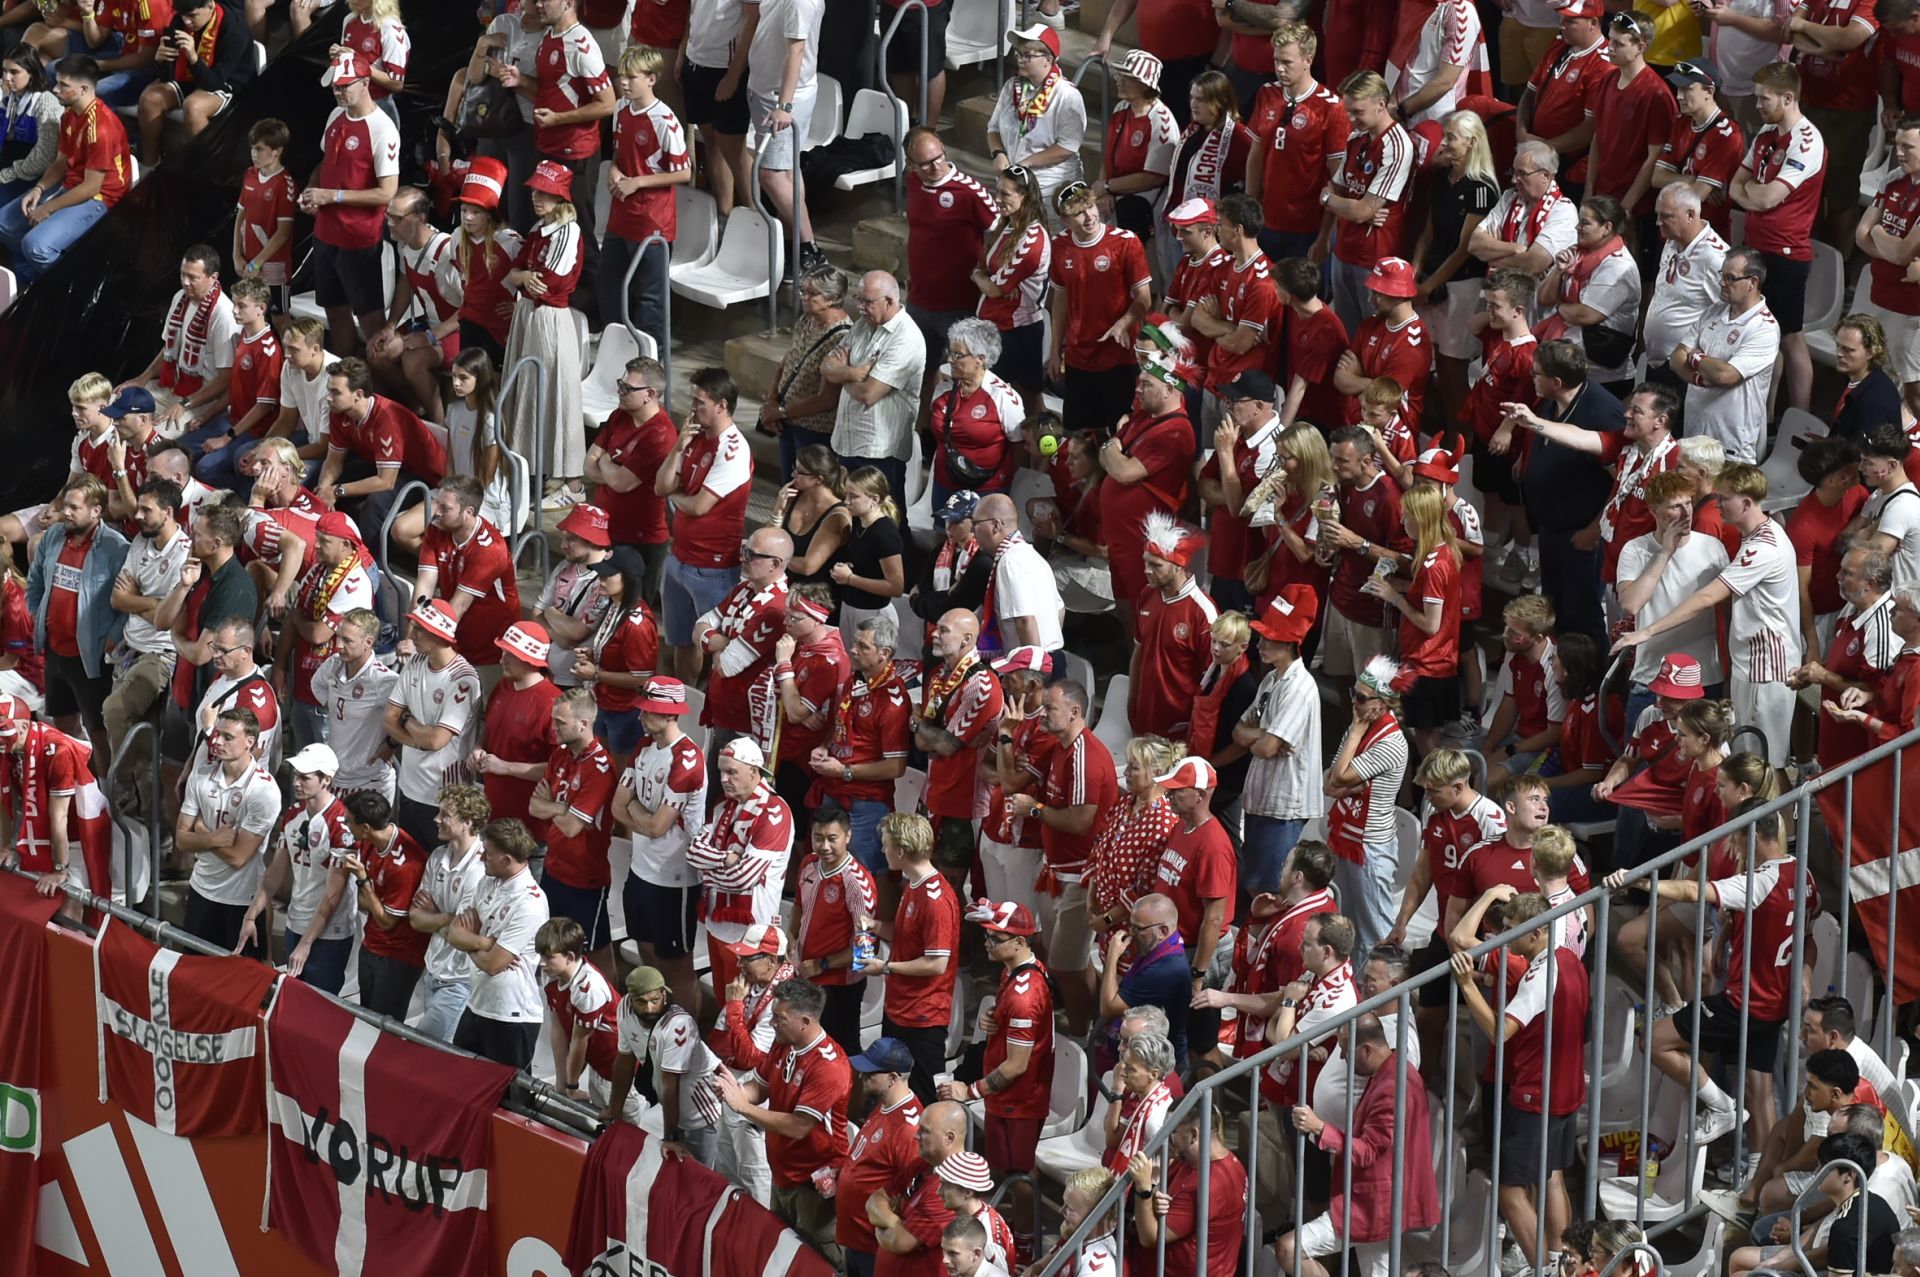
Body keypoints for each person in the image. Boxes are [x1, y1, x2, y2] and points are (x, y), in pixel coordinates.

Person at [1607, 803, 1809, 1148]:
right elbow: (1808, 937)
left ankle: (1722, 1107)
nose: (1734, 846)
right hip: (1776, 1002)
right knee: (1759, 1087)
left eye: (1737, 838)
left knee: (1653, 1041)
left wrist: (1641, 880)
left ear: (1755, 837)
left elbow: (1693, 890)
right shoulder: (1803, 875)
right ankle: (1755, 1175)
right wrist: (1806, 972)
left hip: (1744, 1003)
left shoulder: (1761, 881)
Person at [1618, 462, 1802, 765]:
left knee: (1752, 763)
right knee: (1642, 769)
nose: (1688, 512)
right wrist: (1665, 552)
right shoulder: (1635, 550)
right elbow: (1631, 605)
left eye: (1689, 503)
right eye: (1676, 506)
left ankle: (1774, 813)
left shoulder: (1721, 546)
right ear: (1654, 511)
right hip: (1653, 676)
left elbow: (1713, 602)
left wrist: (1725, 669)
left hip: (1711, 678)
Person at [1451, 892, 1589, 1272]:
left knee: (1511, 1192)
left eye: (1512, 932)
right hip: (1566, 1087)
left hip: (1536, 1093)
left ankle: (1545, 1268)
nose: (1506, 939)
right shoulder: (1571, 960)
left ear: (1536, 933)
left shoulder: (1540, 975)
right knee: (1551, 1176)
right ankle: (1564, 1262)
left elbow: (1499, 1031)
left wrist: (1466, 985)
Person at [1273, 1012, 1435, 1277]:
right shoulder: (1391, 1071)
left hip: (1373, 1203)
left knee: (1288, 1248)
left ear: (1367, 1049)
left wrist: (1320, 1128)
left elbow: (1369, 1151)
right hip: (1380, 1198)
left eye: (1346, 1050)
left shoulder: (1392, 1086)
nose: (1342, 1057)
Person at [937, 901, 1053, 1257]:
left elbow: (1016, 1065)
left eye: (996, 938)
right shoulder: (1014, 972)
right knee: (1007, 1169)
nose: (987, 943)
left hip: (1019, 1100)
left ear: (1019, 941)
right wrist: (994, 1018)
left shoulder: (1024, 994)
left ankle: (1026, 1247)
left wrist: (968, 1090)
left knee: (1020, 1176)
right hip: (1009, 1098)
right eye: (987, 936)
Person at [716, 978, 853, 1263]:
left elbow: (798, 1126)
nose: (773, 1023)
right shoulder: (785, 1043)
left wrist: (743, 1108)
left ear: (805, 1021)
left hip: (813, 1183)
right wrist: (736, 1092)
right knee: (784, 1247)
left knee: (821, 1257)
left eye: (779, 1018)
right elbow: (761, 1086)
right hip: (783, 1172)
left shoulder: (829, 1066)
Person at [1728, 62, 1824, 418]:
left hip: (1787, 252)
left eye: (1764, 99)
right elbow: (1735, 184)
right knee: (1763, 334)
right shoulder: (1766, 133)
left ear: (1789, 97)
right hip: (1757, 246)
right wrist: (1754, 191)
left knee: (1789, 337)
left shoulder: (1807, 140)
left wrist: (1751, 192)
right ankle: (1766, 416)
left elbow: (1766, 198)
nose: (1757, 105)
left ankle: (1801, 421)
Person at [655, 366, 754, 682]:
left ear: (721, 406)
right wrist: (678, 446)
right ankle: (684, 701)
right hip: (679, 559)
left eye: (699, 402)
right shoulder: (695, 438)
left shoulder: (733, 450)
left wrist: (675, 496)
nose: (693, 408)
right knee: (682, 643)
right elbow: (660, 486)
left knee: (715, 648)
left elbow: (697, 506)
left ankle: (710, 713)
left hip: (713, 569)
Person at [299, 52, 400, 357]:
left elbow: (387, 193)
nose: (338, 92)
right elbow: (325, 162)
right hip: (326, 234)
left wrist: (333, 197)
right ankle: (344, 376)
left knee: (370, 320)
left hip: (359, 240)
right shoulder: (335, 116)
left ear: (366, 83)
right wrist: (311, 189)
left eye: (344, 86)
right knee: (335, 312)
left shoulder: (382, 129)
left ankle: (381, 387)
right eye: (335, 87)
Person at [501, 161, 588, 509]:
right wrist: (523, 278)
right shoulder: (541, 227)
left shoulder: (570, 231)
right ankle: (541, 469)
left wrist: (524, 278)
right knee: (528, 391)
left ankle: (572, 482)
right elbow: (517, 271)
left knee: (557, 395)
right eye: (535, 191)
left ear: (560, 197)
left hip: (550, 320)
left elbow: (550, 283)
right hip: (528, 315)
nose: (536, 197)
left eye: (545, 192)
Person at [0, 56, 129, 288]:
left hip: (102, 197)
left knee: (36, 247)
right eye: (56, 82)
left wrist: (47, 208)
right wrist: (38, 189)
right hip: (72, 185)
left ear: (83, 89)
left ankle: (73, 290)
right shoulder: (69, 115)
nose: (55, 89)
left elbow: (92, 187)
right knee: (4, 224)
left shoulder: (100, 128)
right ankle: (32, 282)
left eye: (63, 85)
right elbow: (61, 162)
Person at [242, 743, 359, 992]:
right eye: (296, 775)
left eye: (305, 777)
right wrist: (251, 915)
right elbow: (275, 872)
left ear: (326, 780)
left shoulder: (342, 825)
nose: (296, 782)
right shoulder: (294, 813)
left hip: (329, 934)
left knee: (320, 1007)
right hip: (295, 922)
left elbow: (333, 895)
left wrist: (306, 944)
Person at [598, 43, 689, 358]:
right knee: (608, 283)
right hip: (620, 216)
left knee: (651, 298)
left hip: (653, 223)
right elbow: (618, 154)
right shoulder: (621, 109)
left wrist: (638, 182)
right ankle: (615, 350)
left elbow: (684, 172)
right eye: (622, 76)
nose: (623, 83)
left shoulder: (665, 120)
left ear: (651, 78)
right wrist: (613, 169)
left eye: (632, 77)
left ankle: (653, 361)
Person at [438, 818, 550, 1069]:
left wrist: (469, 942)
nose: (481, 858)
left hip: (510, 1015)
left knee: (511, 1100)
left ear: (507, 860)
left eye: (488, 854)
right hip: (477, 1004)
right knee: (463, 1084)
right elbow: (452, 931)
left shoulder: (530, 903)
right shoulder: (486, 882)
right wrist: (482, 941)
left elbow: (492, 964)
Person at [687, 737, 796, 991]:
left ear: (754, 772)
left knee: (748, 1014)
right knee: (724, 1005)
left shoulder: (775, 813)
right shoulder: (722, 806)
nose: (724, 779)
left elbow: (742, 878)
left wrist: (709, 872)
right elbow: (692, 852)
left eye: (731, 772)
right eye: (721, 772)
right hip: (716, 924)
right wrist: (724, 859)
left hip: (753, 936)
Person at [27, 474, 126, 746]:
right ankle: (75, 778)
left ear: (95, 511)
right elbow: (35, 580)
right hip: (54, 651)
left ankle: (105, 784)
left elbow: (128, 602)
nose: (65, 513)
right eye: (65, 506)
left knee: (97, 729)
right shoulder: (54, 536)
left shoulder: (116, 548)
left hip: (90, 657)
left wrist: (114, 636)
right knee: (62, 720)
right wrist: (36, 614)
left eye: (74, 508)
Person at [1049, 182, 1153, 438]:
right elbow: (1060, 299)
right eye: (1079, 213)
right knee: (1078, 435)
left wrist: (1123, 324)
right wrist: (1054, 351)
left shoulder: (1126, 243)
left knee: (1119, 434)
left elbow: (1145, 298)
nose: (1089, 217)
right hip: (1078, 357)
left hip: (1119, 357)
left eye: (1091, 207)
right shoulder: (1059, 246)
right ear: (1064, 219)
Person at [174, 707, 278, 955]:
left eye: (228, 737)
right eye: (217, 734)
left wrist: (200, 831)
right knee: (194, 974)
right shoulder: (201, 776)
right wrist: (212, 837)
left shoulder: (264, 791)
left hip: (241, 899)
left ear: (249, 742)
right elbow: (180, 839)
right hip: (201, 890)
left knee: (240, 981)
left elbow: (239, 857)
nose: (217, 741)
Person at [1325, 657, 1409, 956]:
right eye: (1353, 694)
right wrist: (1344, 781)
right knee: (1346, 927)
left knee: (1375, 934)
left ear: (1383, 702)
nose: (1354, 704)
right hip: (1345, 838)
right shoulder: (1359, 725)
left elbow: (1339, 776)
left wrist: (1357, 734)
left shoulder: (1390, 742)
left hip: (1370, 847)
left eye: (1361, 698)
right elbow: (1329, 784)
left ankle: (1387, 1000)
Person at [383, 599, 484, 849]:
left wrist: (409, 723)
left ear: (439, 635)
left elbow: (437, 740)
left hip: (443, 797)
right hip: (408, 785)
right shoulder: (416, 662)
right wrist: (418, 738)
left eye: (419, 629)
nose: (412, 635)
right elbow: (389, 719)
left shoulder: (464, 679)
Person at [1244, 24, 1350, 262]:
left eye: (1287, 62)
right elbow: (1256, 154)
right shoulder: (1266, 94)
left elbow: (1338, 178)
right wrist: (1249, 209)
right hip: (1266, 221)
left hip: (1306, 229)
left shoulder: (1331, 107)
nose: (1279, 69)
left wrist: (1324, 237)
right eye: (1276, 61)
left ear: (1307, 60)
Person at [102, 477, 188, 767]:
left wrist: (136, 598)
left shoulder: (185, 555)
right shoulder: (140, 541)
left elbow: (167, 622)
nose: (137, 516)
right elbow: (117, 599)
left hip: (161, 654)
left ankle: (121, 789)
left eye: (145, 510)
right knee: (137, 738)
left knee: (114, 711)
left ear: (168, 512)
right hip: (130, 648)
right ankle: (138, 805)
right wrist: (153, 603)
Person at [313, 356, 447, 542]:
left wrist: (338, 491)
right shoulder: (339, 411)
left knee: (375, 504)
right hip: (379, 464)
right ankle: (327, 543)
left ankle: (370, 562)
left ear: (358, 395)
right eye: (329, 390)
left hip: (422, 475)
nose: (328, 397)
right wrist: (326, 487)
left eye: (335, 392)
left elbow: (386, 482)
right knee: (320, 485)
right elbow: (334, 459)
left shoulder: (386, 419)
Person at [607, 964, 727, 1157]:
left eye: (654, 1000)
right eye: (641, 1002)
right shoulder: (625, 1008)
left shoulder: (679, 1026)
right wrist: (614, 1109)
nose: (649, 1008)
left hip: (700, 1112)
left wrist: (669, 1138)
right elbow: (625, 1059)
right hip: (671, 1107)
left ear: (664, 995)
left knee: (698, 1175)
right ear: (631, 999)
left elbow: (670, 1083)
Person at [405, 785, 491, 1040]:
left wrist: (435, 915)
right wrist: (446, 917)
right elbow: (415, 918)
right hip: (432, 970)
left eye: (445, 815)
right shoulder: (438, 856)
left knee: (420, 1046)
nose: (436, 819)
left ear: (467, 822)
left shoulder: (481, 870)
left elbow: (460, 931)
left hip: (460, 980)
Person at [694, 526, 790, 754]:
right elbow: (699, 626)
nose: (742, 558)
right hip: (722, 711)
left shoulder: (776, 609)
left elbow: (726, 666)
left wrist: (711, 642)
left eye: (751, 555)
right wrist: (724, 643)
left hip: (746, 723)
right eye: (744, 550)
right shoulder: (743, 589)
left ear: (774, 564)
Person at [837, 1038, 926, 1277]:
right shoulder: (885, 1104)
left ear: (893, 1078)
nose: (862, 1077)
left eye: (870, 1073)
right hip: (857, 1238)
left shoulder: (908, 1129)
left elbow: (912, 1195)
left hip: (875, 1247)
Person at [1127, 1107, 1249, 1277]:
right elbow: (1164, 1198)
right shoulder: (1194, 1162)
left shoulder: (1208, 1185)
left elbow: (1150, 1237)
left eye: (1173, 1132)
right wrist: (1153, 1199)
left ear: (1193, 1135)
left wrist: (1144, 1190)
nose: (1168, 1140)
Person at [1582, 12, 1675, 229]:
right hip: (1601, 196)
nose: (1609, 47)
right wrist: (1589, 188)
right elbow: (1598, 136)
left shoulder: (1656, 94)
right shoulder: (1607, 80)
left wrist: (1626, 206)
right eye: (1610, 40)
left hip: (1632, 206)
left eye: (1618, 43)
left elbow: (1654, 158)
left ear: (1640, 47)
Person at [132, 0, 252, 164]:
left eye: (192, 15)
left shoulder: (235, 28)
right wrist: (160, 61)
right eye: (183, 15)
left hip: (228, 82)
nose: (187, 21)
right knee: (150, 99)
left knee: (194, 106)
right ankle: (149, 163)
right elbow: (167, 77)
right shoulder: (179, 21)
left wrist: (194, 58)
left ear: (210, 6)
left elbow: (214, 83)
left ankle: (200, 171)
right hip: (192, 77)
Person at [973, 164, 1051, 413]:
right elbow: (983, 268)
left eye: (1005, 194)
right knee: (997, 403)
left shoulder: (1032, 238)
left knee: (1027, 402)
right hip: (995, 327)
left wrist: (982, 280)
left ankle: (1043, 452)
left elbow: (995, 289)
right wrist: (982, 277)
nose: (998, 199)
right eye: (998, 192)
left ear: (1024, 196)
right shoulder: (1006, 225)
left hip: (1018, 332)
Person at [987, 26, 1087, 217]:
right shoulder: (1011, 87)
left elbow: (1067, 146)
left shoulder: (1067, 96)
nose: (1020, 60)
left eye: (1027, 55)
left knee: (1052, 238)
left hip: (1050, 186)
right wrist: (998, 154)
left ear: (1048, 60)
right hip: (1015, 182)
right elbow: (993, 128)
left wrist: (1026, 163)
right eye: (1018, 54)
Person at [764, 268, 856, 477]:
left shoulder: (842, 336)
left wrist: (780, 411)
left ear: (832, 298)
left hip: (813, 429)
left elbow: (826, 399)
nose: (804, 297)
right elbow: (787, 361)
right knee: (787, 483)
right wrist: (771, 401)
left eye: (812, 294)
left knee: (806, 487)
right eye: (802, 291)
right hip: (786, 417)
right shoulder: (807, 320)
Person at [865, 1098, 969, 1277]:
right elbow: (874, 1201)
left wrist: (880, 1221)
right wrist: (894, 1222)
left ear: (949, 1138)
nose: (916, 1136)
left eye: (924, 1131)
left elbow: (899, 1242)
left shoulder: (949, 1190)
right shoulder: (922, 1164)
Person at [928, 318, 1025, 507]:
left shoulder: (1003, 397)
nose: (949, 359)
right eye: (950, 352)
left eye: (957, 355)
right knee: (945, 535)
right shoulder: (944, 389)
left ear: (980, 359)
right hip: (944, 484)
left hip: (987, 490)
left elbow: (1019, 447)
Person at [1643, 184, 1730, 395]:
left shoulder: (1715, 258)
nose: (1658, 223)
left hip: (1683, 368)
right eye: (1657, 215)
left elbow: (1727, 314)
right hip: (1656, 360)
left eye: (1666, 216)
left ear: (1690, 215)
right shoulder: (1672, 241)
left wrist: (1695, 357)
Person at [1332, 257, 1430, 427]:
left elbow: (1380, 403)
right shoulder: (1371, 323)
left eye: (1378, 293)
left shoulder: (1412, 344)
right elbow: (1339, 378)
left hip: (1392, 438)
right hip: (1358, 424)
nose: (1370, 299)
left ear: (1399, 297)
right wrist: (1371, 383)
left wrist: (1358, 376)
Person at [1651, 60, 1744, 239]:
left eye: (1687, 89)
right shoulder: (1681, 122)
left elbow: (1698, 195)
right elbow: (1656, 178)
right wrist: (1691, 179)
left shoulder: (1727, 134)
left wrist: (1688, 185)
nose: (1679, 96)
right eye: (1678, 89)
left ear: (1709, 91)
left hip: (1706, 236)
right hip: (1673, 233)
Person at [1098, 899, 1189, 1072]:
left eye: (1138, 928)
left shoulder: (1166, 970)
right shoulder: (1159, 947)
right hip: (1135, 1054)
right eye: (1130, 925)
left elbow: (1108, 1008)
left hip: (1150, 1067)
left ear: (1162, 931)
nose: (1131, 933)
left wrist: (1112, 958)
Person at [233, 119, 297, 315]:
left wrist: (257, 263)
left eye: (260, 149)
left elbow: (283, 233)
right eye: (252, 148)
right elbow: (240, 216)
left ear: (277, 151)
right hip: (248, 262)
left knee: (279, 318)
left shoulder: (284, 184)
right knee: (248, 314)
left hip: (273, 267)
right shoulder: (249, 175)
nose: (254, 153)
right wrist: (236, 255)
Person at [1852, 424, 1920, 587]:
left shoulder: (1902, 507)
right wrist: (1869, 532)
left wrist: (1864, 534)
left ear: (1892, 466)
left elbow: (1863, 562)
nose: (1860, 468)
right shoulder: (1877, 495)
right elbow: (1844, 540)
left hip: (1899, 605)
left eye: (1868, 462)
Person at [1827, 314, 1906, 443]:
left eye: (1848, 350)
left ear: (1871, 352)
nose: (1839, 354)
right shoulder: (1859, 379)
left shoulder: (1874, 402)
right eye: (1838, 346)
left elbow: (1861, 457)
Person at [0, 52, 63, 208]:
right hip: (10, 159)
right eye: (5, 71)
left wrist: (7, 174)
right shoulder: (10, 97)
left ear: (32, 73)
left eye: (14, 72)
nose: (7, 78)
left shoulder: (45, 101)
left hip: (31, 171)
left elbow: (45, 156)